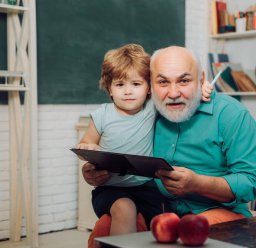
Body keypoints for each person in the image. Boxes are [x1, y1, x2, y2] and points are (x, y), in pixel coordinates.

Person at [79, 44, 213, 247]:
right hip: (110, 190)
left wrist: (200, 87)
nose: (128, 92)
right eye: (119, 84)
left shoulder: (152, 108)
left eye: (136, 84)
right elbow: (86, 143)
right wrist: (89, 150)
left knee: (166, 222)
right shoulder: (102, 115)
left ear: (149, 87)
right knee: (125, 208)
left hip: (148, 188)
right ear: (109, 88)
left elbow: (178, 92)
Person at [150, 46, 256, 222]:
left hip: (219, 213)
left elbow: (249, 183)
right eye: (163, 82)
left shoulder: (231, 115)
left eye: (184, 81)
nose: (173, 93)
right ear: (150, 84)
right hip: (159, 211)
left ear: (201, 79)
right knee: (105, 230)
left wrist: (197, 183)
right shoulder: (146, 113)